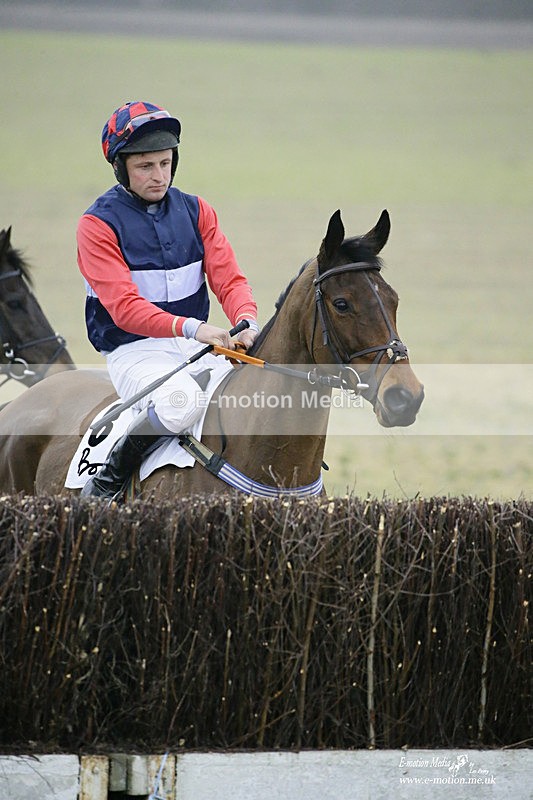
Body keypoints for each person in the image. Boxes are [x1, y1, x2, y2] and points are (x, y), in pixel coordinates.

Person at [77, 100, 259, 498]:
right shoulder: (96, 225)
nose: (159, 176)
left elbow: (229, 279)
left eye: (165, 163)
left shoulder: (198, 211)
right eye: (145, 166)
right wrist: (196, 328)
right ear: (120, 167)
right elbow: (124, 309)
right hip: (135, 351)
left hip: (196, 345)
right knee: (181, 403)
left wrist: (246, 320)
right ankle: (104, 488)